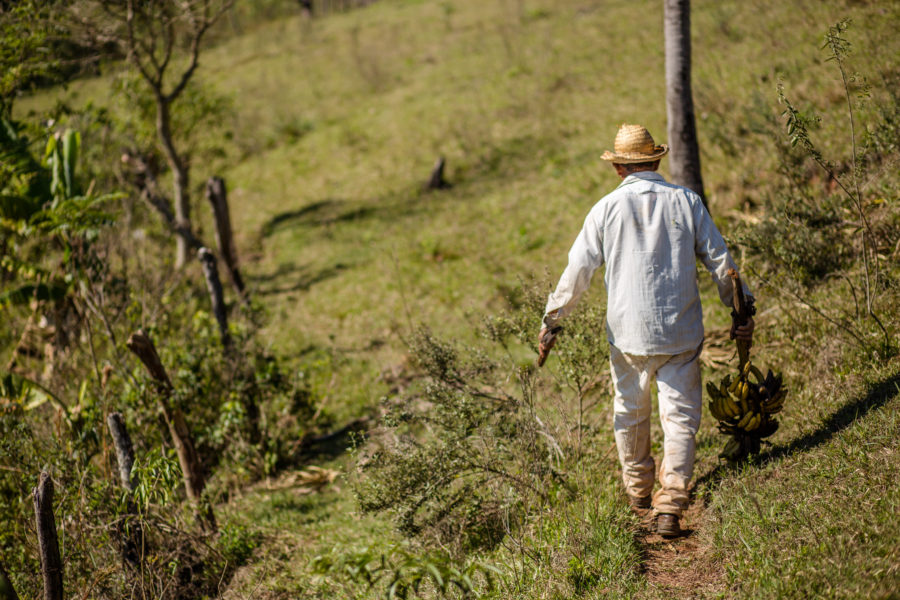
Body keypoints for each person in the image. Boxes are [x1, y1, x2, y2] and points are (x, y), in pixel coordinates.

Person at [537, 123, 754, 537]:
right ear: (656, 160)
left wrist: (553, 320)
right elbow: (721, 261)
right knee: (680, 418)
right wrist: (741, 308)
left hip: (628, 335)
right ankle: (670, 502)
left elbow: (577, 272)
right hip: (681, 332)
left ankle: (638, 492)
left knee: (630, 411)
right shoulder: (686, 201)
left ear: (619, 167)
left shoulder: (604, 210)